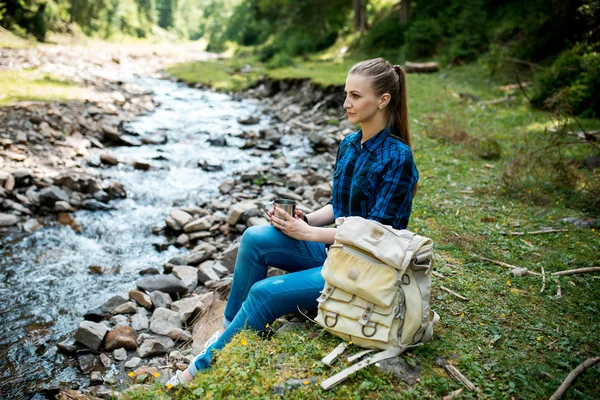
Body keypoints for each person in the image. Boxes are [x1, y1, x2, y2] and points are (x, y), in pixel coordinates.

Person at [166, 57, 418, 388]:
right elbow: (339, 206)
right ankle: (227, 332)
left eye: (356, 96)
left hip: (365, 270)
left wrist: (309, 232)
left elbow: (377, 234)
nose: (346, 103)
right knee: (256, 238)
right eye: (346, 94)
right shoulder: (349, 145)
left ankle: (202, 366)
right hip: (332, 252)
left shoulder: (398, 158)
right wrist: (302, 220)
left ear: (383, 100)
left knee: (264, 293)